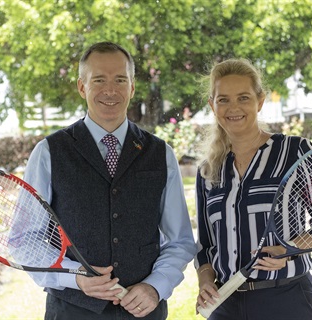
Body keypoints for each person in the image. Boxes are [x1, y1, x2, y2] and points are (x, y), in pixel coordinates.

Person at [23, 41, 196, 319]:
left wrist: (155, 287)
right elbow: (25, 239)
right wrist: (75, 277)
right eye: (99, 80)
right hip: (71, 311)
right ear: (82, 87)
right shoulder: (49, 152)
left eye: (120, 80)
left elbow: (180, 241)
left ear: (132, 87)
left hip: (145, 311)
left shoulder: (160, 154)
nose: (110, 90)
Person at [194, 58, 312, 319]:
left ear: (260, 101)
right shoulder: (208, 170)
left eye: (243, 97)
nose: (233, 107)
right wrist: (205, 280)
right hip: (225, 304)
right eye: (223, 99)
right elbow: (205, 244)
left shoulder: (296, 151)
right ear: (212, 106)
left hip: (286, 300)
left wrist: (289, 250)